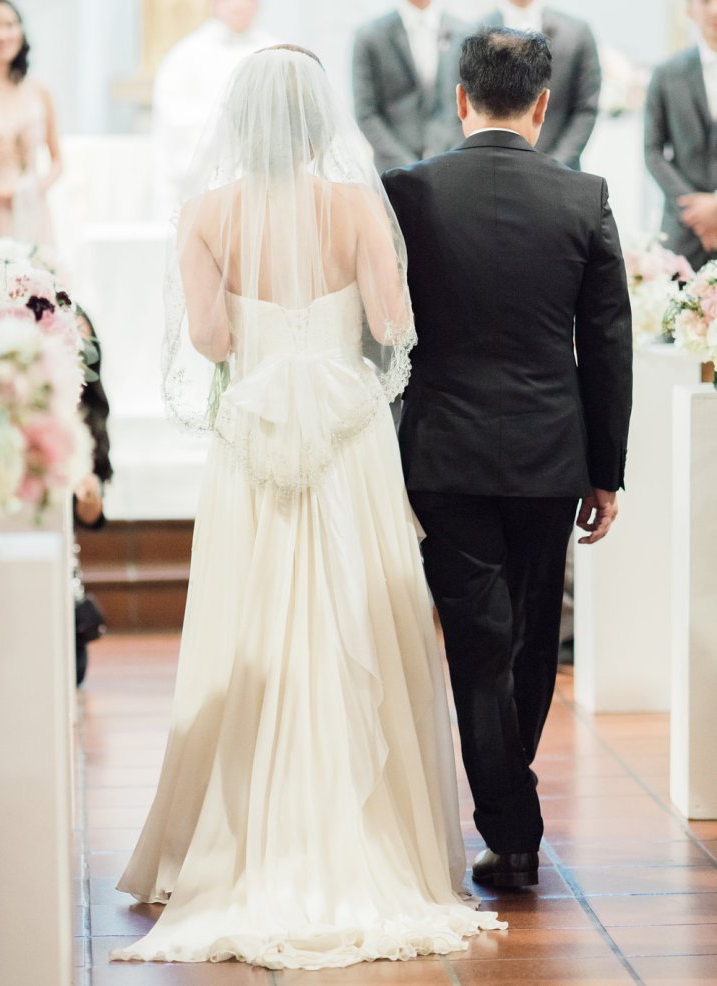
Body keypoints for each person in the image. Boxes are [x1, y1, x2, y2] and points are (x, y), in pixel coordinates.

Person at [111, 45, 504, 969]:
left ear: (239, 123)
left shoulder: (206, 214)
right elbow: (392, 324)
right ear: (321, 120)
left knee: (251, 621)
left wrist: (264, 327)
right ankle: (376, 835)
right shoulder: (357, 206)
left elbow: (211, 339)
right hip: (346, 434)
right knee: (354, 617)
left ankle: (243, 834)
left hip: (254, 433)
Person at [383, 28, 632, 889]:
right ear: (543, 105)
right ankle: (512, 819)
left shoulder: (407, 192)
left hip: (442, 451)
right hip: (549, 454)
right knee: (527, 640)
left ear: (460, 99)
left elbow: (386, 330)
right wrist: (607, 470)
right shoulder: (584, 195)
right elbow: (607, 344)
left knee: (478, 642)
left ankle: (510, 822)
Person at [151, 0, 273, 217]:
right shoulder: (187, 54)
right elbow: (172, 112)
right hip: (202, 179)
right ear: (214, 3)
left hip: (261, 181)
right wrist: (226, 121)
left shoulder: (273, 51)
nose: (239, 6)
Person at [475, 0, 601, 170]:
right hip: (489, 172)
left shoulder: (577, 33)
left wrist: (553, 167)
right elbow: (457, 109)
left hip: (559, 171)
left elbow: (585, 108)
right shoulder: (473, 32)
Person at [0, 0, 61, 250]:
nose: (2, 34)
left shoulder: (38, 91)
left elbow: (57, 159)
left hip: (30, 210)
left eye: (10, 25)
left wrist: (36, 189)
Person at [352, 0, 471, 173]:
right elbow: (366, 113)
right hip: (393, 170)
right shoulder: (369, 36)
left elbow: (470, 104)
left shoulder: (464, 33)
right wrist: (407, 165)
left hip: (450, 165)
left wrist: (445, 155)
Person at [645, 0, 717, 270]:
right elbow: (652, 151)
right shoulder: (666, 73)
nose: (714, 10)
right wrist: (695, 210)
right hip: (683, 228)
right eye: (705, 1)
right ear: (689, 9)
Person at [73, 307, 112, 686]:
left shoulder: (89, 414)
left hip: (62, 565)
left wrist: (89, 497)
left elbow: (91, 518)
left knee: (74, 670)